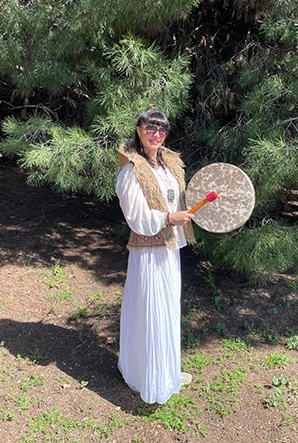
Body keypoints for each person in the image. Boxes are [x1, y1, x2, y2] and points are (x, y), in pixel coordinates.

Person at [115, 106, 196, 404]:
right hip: (148, 251)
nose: (156, 134)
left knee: (168, 309)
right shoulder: (132, 169)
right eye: (150, 127)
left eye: (161, 129)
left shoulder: (169, 164)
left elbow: (178, 199)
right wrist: (168, 218)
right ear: (138, 130)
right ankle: (150, 377)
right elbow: (136, 216)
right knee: (151, 311)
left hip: (170, 248)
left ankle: (167, 371)